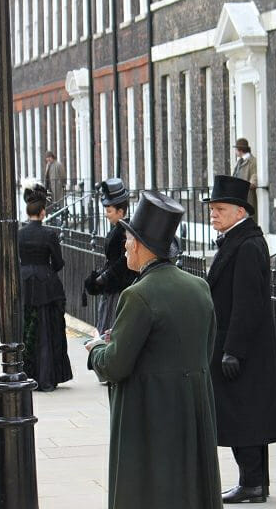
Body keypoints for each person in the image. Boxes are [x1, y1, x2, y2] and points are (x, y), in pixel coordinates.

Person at [86, 191, 222, 509]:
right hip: (192, 412)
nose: (124, 246)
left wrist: (96, 351)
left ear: (142, 246)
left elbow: (116, 365)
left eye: (128, 239)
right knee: (188, 489)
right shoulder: (198, 286)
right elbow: (205, 346)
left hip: (150, 415)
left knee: (152, 491)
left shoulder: (137, 295)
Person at [203, 175, 276, 504]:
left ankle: (252, 483)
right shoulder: (238, 240)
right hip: (238, 347)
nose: (213, 214)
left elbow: (247, 302)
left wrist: (232, 350)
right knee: (247, 417)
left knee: (243, 418)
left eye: (219, 209)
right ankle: (255, 483)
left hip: (241, 350)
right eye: (212, 209)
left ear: (239, 211)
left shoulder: (247, 245)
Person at [19, 182, 72, 392]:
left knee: (27, 328)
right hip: (47, 284)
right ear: (43, 212)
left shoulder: (19, 234)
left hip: (25, 282)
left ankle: (28, 372)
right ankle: (48, 375)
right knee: (47, 330)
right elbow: (58, 263)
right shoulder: (49, 235)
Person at [83, 178, 137, 335]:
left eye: (109, 211)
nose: (106, 215)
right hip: (112, 289)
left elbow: (124, 261)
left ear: (120, 212)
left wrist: (104, 277)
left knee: (110, 331)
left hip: (119, 292)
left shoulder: (125, 231)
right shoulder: (118, 228)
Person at [231, 138, 258, 216]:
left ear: (240, 150)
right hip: (237, 198)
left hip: (247, 198)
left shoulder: (253, 162)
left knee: (247, 220)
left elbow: (254, 180)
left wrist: (244, 185)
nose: (235, 151)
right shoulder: (239, 161)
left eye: (236, 149)